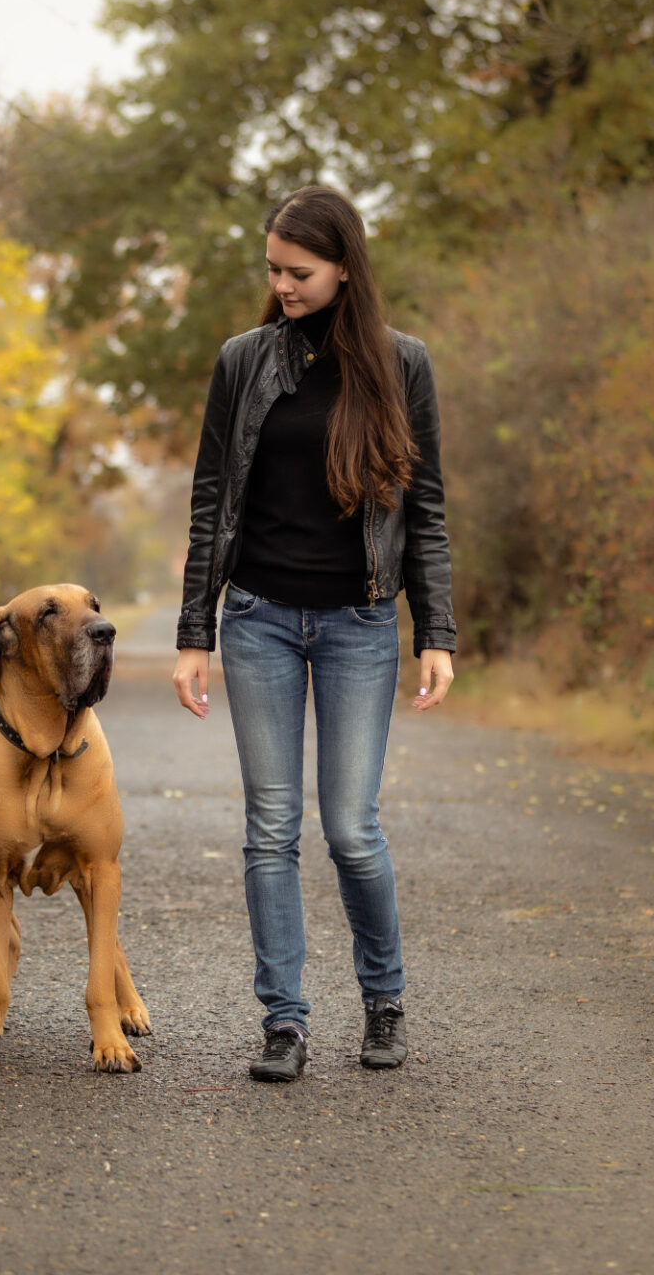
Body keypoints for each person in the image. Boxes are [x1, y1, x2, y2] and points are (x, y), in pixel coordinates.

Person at [172, 184, 457, 1082]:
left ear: (344, 268)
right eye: (272, 270)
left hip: (359, 625)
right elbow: (212, 501)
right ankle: (284, 1023)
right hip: (257, 617)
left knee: (351, 829)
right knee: (269, 828)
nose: (282, 286)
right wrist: (195, 632)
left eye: (298, 272)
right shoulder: (243, 361)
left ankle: (384, 1003)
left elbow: (428, 509)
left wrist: (435, 630)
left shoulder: (401, 365)